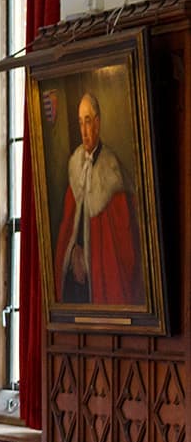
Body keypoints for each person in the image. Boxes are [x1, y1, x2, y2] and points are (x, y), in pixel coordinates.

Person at [59, 91, 141, 304]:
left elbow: (122, 246)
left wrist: (88, 258)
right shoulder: (75, 165)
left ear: (98, 123)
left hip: (99, 280)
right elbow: (69, 227)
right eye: (80, 123)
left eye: (88, 121)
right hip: (76, 282)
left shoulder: (111, 171)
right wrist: (73, 252)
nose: (84, 131)